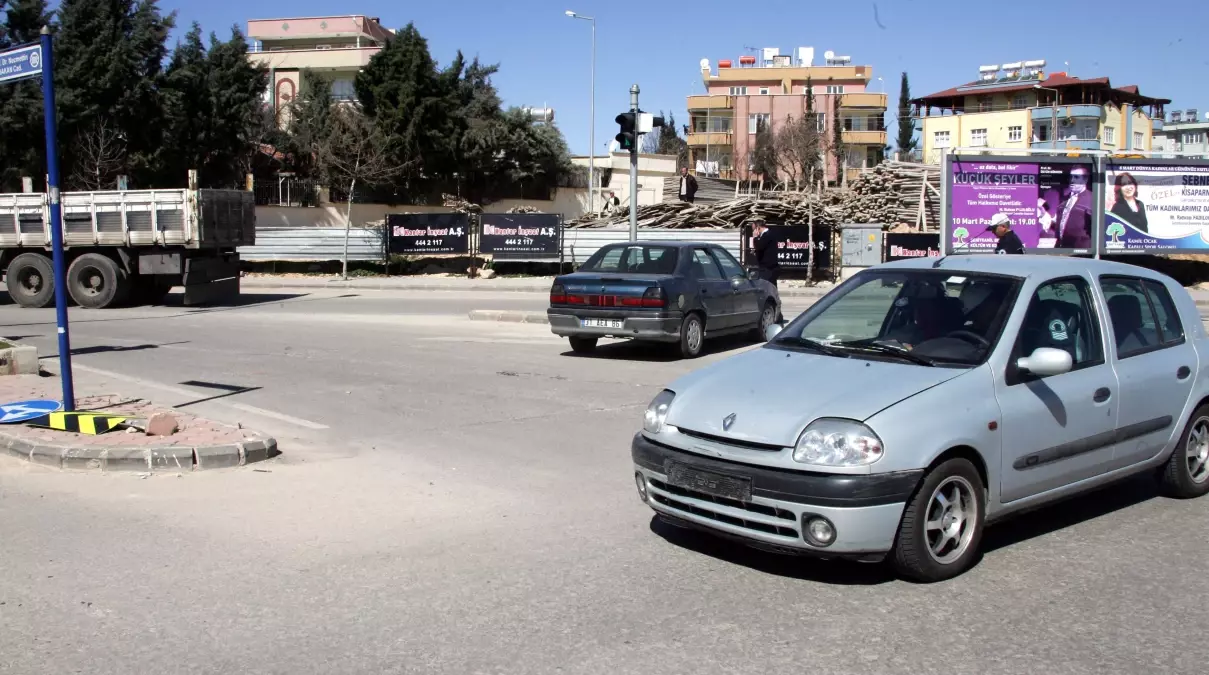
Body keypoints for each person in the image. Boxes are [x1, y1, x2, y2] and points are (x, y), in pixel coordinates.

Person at [1054, 165, 1094, 248]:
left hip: (1082, 250)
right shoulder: (1065, 199)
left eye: (1076, 177)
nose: (1072, 180)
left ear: (1085, 180)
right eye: (1071, 177)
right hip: (1062, 248)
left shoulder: (1092, 198)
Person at [750, 219, 780, 285]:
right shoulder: (766, 235)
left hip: (768, 268)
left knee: (767, 287)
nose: (753, 232)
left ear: (758, 228)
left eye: (754, 230)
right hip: (767, 267)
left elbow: (760, 246)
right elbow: (764, 248)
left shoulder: (767, 235)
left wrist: (755, 237)